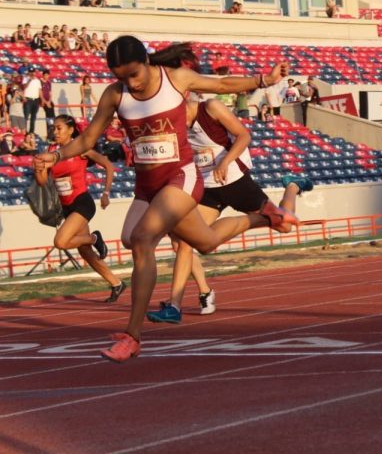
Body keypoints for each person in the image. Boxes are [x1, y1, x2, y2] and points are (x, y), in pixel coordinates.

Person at [34, 36, 291, 362]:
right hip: (147, 185)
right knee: (200, 242)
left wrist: (263, 80)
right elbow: (87, 138)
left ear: (146, 62)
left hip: (182, 177)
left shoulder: (174, 78)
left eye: (134, 74)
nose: (131, 83)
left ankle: (132, 336)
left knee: (142, 240)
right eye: (121, 76)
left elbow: (222, 84)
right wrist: (55, 155)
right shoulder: (115, 94)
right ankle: (265, 217)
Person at [146, 95, 314, 322]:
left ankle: (293, 186)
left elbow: (244, 135)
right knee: (186, 242)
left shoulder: (211, 107)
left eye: (177, 117)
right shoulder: (175, 125)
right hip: (206, 186)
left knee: (284, 226)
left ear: (184, 102)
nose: (177, 124)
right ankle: (174, 306)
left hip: (234, 180)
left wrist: (225, 162)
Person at [34, 114, 127, 303]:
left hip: (82, 202)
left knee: (61, 241)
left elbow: (108, 165)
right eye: (53, 128)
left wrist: (106, 193)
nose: (55, 131)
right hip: (67, 206)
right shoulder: (51, 151)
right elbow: (43, 182)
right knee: (85, 251)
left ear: (70, 129)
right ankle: (116, 283)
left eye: (59, 128)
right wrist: (38, 168)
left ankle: (94, 238)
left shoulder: (81, 148)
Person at [22, 70, 42, 135]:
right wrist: (29, 80)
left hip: (36, 100)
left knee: (33, 117)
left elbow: (39, 90)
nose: (32, 73)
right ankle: (24, 131)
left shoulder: (37, 80)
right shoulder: (25, 78)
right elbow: (24, 87)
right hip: (28, 99)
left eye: (33, 72)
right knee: (26, 116)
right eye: (30, 72)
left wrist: (41, 100)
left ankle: (31, 131)